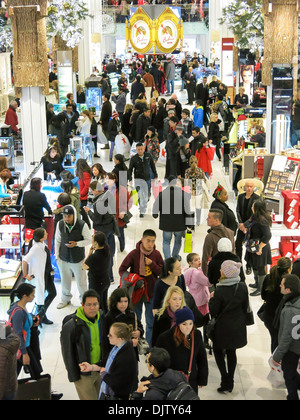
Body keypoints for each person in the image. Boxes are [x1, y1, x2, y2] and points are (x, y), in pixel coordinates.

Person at [209, 260, 249, 393]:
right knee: (232, 352)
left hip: (222, 327)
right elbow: (245, 307)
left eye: (222, 269)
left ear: (225, 274)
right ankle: (230, 380)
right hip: (237, 326)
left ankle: (224, 379)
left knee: (217, 350)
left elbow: (214, 311)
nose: (220, 271)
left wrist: (212, 299)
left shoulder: (219, 290)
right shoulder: (242, 286)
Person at [119, 229, 164, 344]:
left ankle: (149, 344)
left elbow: (162, 273)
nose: (150, 244)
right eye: (148, 241)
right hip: (136, 293)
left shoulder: (156, 254)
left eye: (153, 241)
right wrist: (134, 278)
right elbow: (122, 270)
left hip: (151, 293)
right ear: (142, 240)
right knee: (135, 320)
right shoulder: (134, 254)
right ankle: (136, 343)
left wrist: (152, 264)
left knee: (151, 321)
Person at [60, 290, 106, 400]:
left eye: (95, 304)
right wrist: (74, 376)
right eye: (88, 305)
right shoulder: (72, 326)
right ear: (82, 305)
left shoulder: (103, 318)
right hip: (83, 374)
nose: (92, 308)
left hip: (99, 369)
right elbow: (67, 353)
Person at [79, 322, 138, 400]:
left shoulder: (125, 357)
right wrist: (91, 367)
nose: (108, 336)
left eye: (111, 335)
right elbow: (105, 362)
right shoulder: (117, 348)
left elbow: (117, 384)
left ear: (120, 339)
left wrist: (103, 374)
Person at [156, 307, 208, 393]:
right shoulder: (165, 338)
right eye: (184, 324)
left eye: (191, 323)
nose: (188, 327)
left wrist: (202, 379)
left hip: (190, 380)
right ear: (178, 324)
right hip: (172, 382)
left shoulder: (197, 335)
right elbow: (159, 361)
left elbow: (201, 358)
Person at [55, 205, 91, 309]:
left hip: (77, 259)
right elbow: (57, 240)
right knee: (65, 281)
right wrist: (57, 256)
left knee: (81, 282)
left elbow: (88, 240)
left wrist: (77, 244)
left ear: (74, 215)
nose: (67, 218)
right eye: (65, 216)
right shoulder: (60, 224)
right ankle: (65, 299)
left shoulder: (81, 225)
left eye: (69, 216)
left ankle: (84, 302)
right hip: (63, 257)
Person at [272, 274, 300, 400]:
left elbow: (286, 337)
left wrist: (277, 356)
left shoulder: (290, 310)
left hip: (292, 349)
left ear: (288, 290)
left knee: (288, 373)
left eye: (282, 284)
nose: (280, 286)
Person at [153, 176, 194, 260]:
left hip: (166, 224)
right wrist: (190, 224)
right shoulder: (183, 194)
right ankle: (175, 257)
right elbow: (187, 210)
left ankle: (168, 260)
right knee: (178, 241)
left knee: (166, 242)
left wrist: (155, 214)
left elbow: (155, 206)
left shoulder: (162, 194)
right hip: (179, 224)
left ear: (167, 183)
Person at [22, 227, 56, 325]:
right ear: (41, 237)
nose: (47, 234)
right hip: (42, 276)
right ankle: (40, 316)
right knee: (45, 296)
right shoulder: (36, 248)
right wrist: (25, 275)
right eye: (45, 233)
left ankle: (41, 316)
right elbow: (25, 260)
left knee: (51, 293)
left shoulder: (41, 245)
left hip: (46, 274)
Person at [84, 181, 116, 283]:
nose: (91, 193)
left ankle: (107, 275)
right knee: (110, 253)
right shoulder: (108, 196)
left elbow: (97, 220)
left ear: (96, 190)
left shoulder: (99, 203)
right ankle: (110, 276)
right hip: (110, 228)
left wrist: (89, 211)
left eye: (92, 191)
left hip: (103, 231)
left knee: (103, 254)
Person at [8, 284, 42, 379]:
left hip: (25, 345)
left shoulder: (21, 306)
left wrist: (33, 322)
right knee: (36, 372)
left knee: (14, 374)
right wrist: (24, 353)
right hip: (23, 347)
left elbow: (24, 323)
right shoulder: (18, 312)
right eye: (32, 295)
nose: (34, 296)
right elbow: (18, 334)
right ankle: (45, 392)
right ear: (25, 296)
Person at [261, 257, 293, 353]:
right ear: (288, 269)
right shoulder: (289, 282)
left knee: (274, 340)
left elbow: (263, 296)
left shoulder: (269, 277)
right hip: (282, 318)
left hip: (269, 316)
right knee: (282, 342)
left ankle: (274, 362)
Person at [104, 288, 144, 360]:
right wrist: (130, 342)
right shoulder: (109, 317)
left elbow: (140, 325)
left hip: (132, 353)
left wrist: (139, 332)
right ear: (115, 302)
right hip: (118, 355)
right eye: (120, 302)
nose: (123, 304)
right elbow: (108, 340)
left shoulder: (131, 313)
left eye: (125, 301)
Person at [244, 199, 272, 296]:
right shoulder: (254, 217)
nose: (251, 207)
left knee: (260, 268)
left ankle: (261, 288)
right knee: (254, 265)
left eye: (253, 206)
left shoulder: (262, 220)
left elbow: (268, 235)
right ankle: (257, 283)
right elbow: (247, 224)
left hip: (260, 247)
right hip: (253, 245)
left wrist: (259, 247)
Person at [236, 179, 260, 274]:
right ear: (244, 187)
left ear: (254, 187)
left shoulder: (257, 198)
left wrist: (245, 225)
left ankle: (248, 265)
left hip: (251, 226)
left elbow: (255, 215)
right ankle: (239, 263)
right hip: (242, 226)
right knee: (238, 244)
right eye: (247, 186)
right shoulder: (241, 197)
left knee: (249, 246)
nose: (249, 188)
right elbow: (238, 210)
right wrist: (241, 224)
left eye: (251, 186)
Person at [82, 232, 110, 313]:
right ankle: (106, 321)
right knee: (104, 304)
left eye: (92, 239)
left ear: (96, 242)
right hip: (105, 281)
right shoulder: (106, 251)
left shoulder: (94, 257)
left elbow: (84, 266)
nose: (91, 240)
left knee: (98, 307)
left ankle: (100, 323)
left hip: (96, 284)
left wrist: (89, 254)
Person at [201, 209, 235, 276]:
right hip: (229, 271)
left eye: (209, 217)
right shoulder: (230, 232)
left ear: (216, 220)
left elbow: (206, 258)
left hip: (215, 272)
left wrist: (206, 275)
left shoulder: (210, 237)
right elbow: (233, 252)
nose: (207, 219)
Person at [128, 142, 158, 217]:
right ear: (136, 150)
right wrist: (130, 178)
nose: (140, 151)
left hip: (147, 179)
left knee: (147, 196)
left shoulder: (148, 156)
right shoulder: (133, 158)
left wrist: (155, 175)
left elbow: (152, 166)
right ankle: (142, 210)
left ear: (144, 148)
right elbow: (130, 169)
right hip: (138, 180)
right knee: (140, 195)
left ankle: (145, 201)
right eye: (138, 149)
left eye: (141, 149)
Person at [105, 172, 132, 253]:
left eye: (109, 179)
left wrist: (123, 211)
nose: (107, 181)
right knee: (110, 235)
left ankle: (122, 246)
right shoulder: (105, 189)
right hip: (109, 217)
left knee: (120, 234)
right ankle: (111, 250)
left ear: (114, 180)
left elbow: (129, 202)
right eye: (106, 179)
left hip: (118, 217)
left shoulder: (121, 190)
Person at [185, 155, 207, 225]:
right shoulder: (200, 171)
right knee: (198, 207)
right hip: (199, 192)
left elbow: (186, 182)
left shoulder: (187, 171)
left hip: (190, 193)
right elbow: (204, 180)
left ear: (189, 162)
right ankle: (198, 221)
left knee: (191, 208)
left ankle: (191, 222)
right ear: (197, 162)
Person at [0, 322, 20, 401]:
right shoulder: (7, 339)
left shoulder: (2, 351)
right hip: (10, 387)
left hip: (4, 393)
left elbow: (1, 380)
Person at [76, 158, 92, 229]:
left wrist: (81, 194)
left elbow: (87, 186)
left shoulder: (85, 174)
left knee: (84, 213)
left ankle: (88, 226)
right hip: (82, 197)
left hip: (84, 198)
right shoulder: (83, 173)